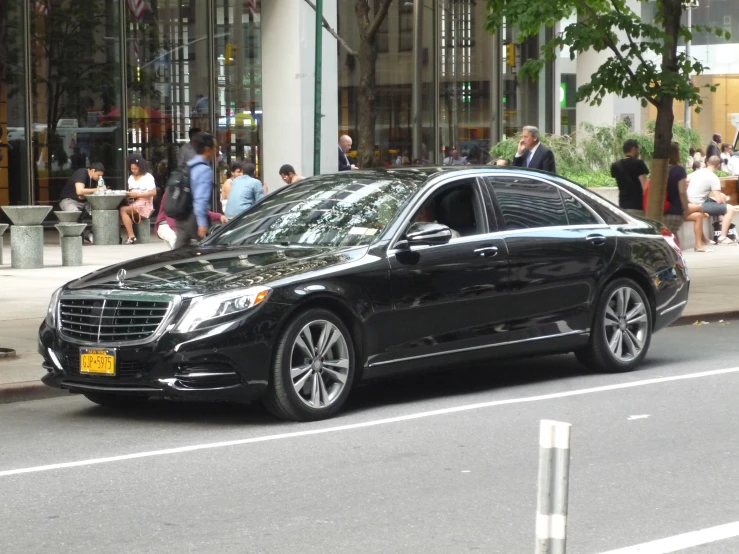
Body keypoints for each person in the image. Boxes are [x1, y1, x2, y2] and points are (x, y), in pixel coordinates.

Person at [174, 132, 217, 249]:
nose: (215, 151)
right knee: (213, 249)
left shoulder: (188, 166)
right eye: (215, 147)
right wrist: (202, 223)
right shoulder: (204, 170)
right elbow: (200, 199)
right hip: (194, 219)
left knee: (179, 253)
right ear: (207, 149)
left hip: (181, 217)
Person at [663, 142, 709, 250]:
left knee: (672, 234)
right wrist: (685, 208)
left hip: (663, 208)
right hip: (674, 209)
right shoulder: (678, 170)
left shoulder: (661, 170)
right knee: (671, 237)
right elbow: (682, 192)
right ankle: (677, 258)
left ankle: (699, 243)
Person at [687, 155, 738, 246]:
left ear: (707, 163)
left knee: (722, 199)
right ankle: (722, 237)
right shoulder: (713, 178)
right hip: (699, 204)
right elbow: (718, 200)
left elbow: (685, 179)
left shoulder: (697, 172)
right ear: (718, 166)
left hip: (690, 202)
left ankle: (720, 224)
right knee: (730, 209)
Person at [156, 191, 228, 249]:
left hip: (184, 223)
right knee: (176, 239)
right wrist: (175, 230)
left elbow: (200, 210)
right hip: (165, 224)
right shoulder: (173, 191)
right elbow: (170, 214)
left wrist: (219, 216)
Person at [59, 161, 106, 244]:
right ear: (92, 170)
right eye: (98, 175)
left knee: (101, 211)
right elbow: (79, 191)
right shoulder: (82, 172)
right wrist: (97, 190)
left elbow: (102, 190)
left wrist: (86, 193)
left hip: (87, 201)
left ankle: (91, 233)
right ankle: (73, 238)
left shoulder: (98, 179)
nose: (100, 177)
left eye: (101, 176)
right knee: (73, 212)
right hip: (69, 200)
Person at [119, 157, 156, 245]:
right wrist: (130, 195)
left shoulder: (148, 177)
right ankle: (120, 236)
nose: (133, 171)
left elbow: (153, 192)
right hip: (135, 201)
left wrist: (138, 195)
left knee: (123, 210)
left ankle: (131, 236)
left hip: (145, 203)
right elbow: (131, 190)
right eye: (132, 169)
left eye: (135, 169)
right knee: (118, 208)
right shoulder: (131, 178)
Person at [611, 139, 649, 217]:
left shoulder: (615, 166)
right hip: (637, 206)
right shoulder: (639, 164)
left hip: (623, 206)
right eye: (638, 149)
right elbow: (645, 187)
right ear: (633, 149)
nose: (639, 152)